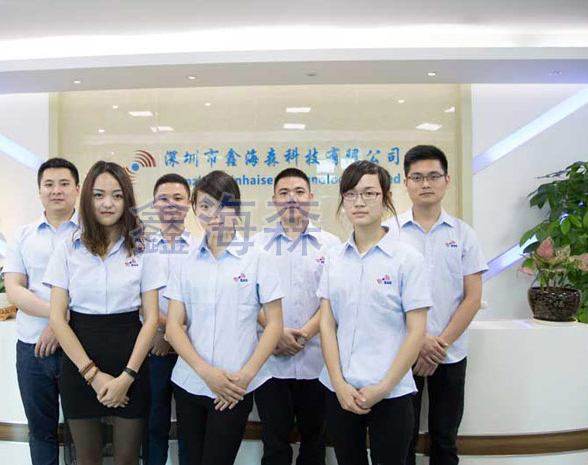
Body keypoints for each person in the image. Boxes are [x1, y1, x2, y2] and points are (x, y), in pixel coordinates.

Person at [44, 161, 164, 465]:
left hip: (131, 361)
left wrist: (127, 377)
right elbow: (57, 318)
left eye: (117, 195)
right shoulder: (68, 248)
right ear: (87, 198)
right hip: (80, 363)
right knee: (87, 458)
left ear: (127, 200)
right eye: (99, 195)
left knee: (126, 457)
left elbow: (151, 318)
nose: (108, 203)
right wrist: (93, 375)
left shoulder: (144, 247)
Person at [164, 170, 284, 465]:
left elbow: (274, 324)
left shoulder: (258, 258)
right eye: (205, 206)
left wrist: (245, 377)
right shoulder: (185, 262)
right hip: (190, 381)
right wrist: (205, 372)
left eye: (223, 205)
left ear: (237, 209)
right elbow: (174, 326)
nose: (214, 214)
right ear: (195, 210)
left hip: (234, 386)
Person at [318, 160, 431, 465]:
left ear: (386, 198)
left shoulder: (407, 259)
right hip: (340, 391)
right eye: (351, 194)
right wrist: (338, 383)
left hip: (391, 392)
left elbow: (416, 330)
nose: (359, 202)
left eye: (369, 193)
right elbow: (327, 324)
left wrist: (383, 387)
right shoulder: (334, 258)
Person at [386, 146, 487, 465]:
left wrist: (438, 343)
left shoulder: (464, 234)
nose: (425, 183)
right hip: (402, 351)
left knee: (445, 438)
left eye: (433, 176)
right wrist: (418, 341)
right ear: (406, 183)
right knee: (402, 437)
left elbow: (473, 297)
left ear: (447, 180)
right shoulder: (389, 233)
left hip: (450, 352)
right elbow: (384, 297)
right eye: (417, 177)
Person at [252, 168, 340, 465]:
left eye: (299, 192)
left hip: (317, 362)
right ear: (274, 200)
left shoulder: (331, 245)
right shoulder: (256, 245)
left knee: (315, 442)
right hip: (270, 363)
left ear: (311, 197)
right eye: (284, 193)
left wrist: (304, 335)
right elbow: (248, 299)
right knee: (274, 444)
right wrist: (276, 333)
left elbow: (334, 299)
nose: (292, 198)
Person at [3, 157, 80, 465]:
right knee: (40, 431)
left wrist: (59, 327)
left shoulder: (92, 234)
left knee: (85, 433)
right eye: (49, 184)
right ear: (39, 191)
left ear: (77, 189)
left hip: (80, 348)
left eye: (64, 184)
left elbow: (95, 291)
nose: (56, 190)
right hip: (32, 349)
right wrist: (56, 317)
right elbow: (15, 289)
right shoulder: (23, 236)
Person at [145, 173, 195, 465]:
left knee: (190, 426)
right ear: (154, 204)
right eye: (164, 198)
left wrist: (178, 335)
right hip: (155, 347)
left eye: (178, 198)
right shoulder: (142, 247)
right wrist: (165, 331)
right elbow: (139, 297)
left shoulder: (201, 246)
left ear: (189, 203)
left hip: (193, 348)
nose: (171, 204)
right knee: (154, 422)